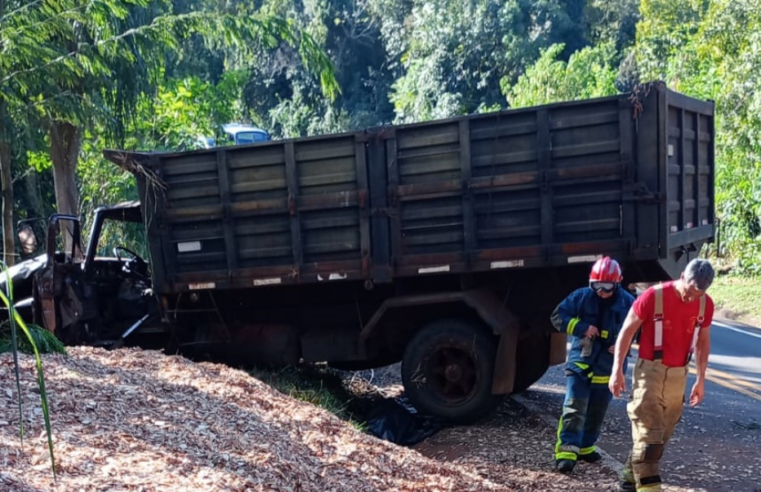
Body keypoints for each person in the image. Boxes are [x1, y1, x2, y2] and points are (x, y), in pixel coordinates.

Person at [609, 258, 715, 492]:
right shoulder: (653, 296)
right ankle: (649, 487)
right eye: (689, 291)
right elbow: (626, 332)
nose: (691, 297)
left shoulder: (705, 304)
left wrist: (701, 379)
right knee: (649, 435)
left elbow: (703, 341)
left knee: (663, 434)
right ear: (682, 278)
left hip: (679, 375)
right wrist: (617, 370)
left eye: (698, 294)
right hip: (650, 372)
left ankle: (629, 477)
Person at [551, 257, 635, 473]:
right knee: (574, 407)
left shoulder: (627, 302)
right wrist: (581, 327)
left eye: (606, 286)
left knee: (597, 409)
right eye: (597, 285)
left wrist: (621, 344)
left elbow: (639, 327)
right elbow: (558, 316)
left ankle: (586, 446)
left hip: (608, 367)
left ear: (618, 282)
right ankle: (567, 452)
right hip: (581, 363)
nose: (601, 291)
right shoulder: (581, 296)